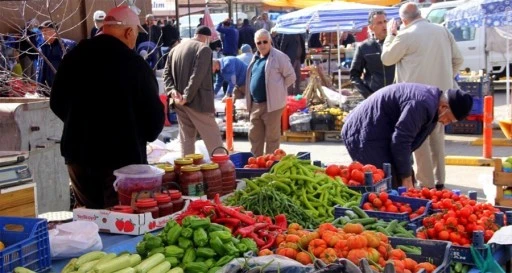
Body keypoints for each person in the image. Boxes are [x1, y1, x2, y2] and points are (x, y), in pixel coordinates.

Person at [49, 6, 165, 209]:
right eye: (136, 34)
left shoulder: (74, 57)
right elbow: (154, 118)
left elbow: (56, 101)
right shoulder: (134, 64)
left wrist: (79, 124)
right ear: (129, 32)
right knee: (121, 218)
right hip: (122, 160)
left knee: (90, 218)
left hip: (78, 154)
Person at [381, 2, 464, 189]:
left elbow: (387, 59)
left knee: (420, 142)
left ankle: (426, 186)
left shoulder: (405, 35)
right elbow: (458, 60)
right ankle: (440, 180)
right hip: (442, 96)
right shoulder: (442, 31)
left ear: (403, 20)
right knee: (437, 139)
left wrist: (390, 35)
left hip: (416, 99)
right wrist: (445, 77)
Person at [342, 83, 473, 189]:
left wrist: (407, 175)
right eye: (449, 119)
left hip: (380, 131)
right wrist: (406, 177)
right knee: (382, 183)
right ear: (444, 107)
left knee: (397, 182)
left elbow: (407, 143)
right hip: (363, 132)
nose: (446, 123)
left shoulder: (433, 106)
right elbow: (401, 141)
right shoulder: (421, 104)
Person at [163, 26, 224, 156]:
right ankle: (223, 170)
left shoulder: (175, 50)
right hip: (197, 101)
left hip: (178, 101)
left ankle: (188, 171)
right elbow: (197, 75)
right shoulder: (204, 49)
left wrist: (172, 91)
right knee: (213, 139)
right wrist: (187, 95)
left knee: (187, 140)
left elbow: (166, 74)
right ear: (206, 38)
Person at [245, 29, 295, 156]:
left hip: (272, 105)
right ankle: (256, 163)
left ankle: (269, 166)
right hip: (255, 104)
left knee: (272, 138)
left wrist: (278, 91)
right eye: (258, 43)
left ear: (270, 41)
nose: (262, 45)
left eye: (264, 42)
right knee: (255, 136)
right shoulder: (255, 57)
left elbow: (291, 77)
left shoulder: (279, 57)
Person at [350, 10, 396, 98]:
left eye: (385, 21)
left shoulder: (396, 42)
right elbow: (354, 75)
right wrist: (368, 94)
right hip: (375, 95)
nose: (384, 25)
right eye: (379, 23)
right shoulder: (364, 47)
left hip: (396, 94)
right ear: (371, 27)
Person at [38, 20, 76, 88]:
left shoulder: (67, 46)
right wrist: (39, 87)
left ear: (54, 31)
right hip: (46, 88)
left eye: (46, 30)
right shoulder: (42, 48)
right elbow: (39, 69)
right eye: (42, 31)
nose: (43, 33)